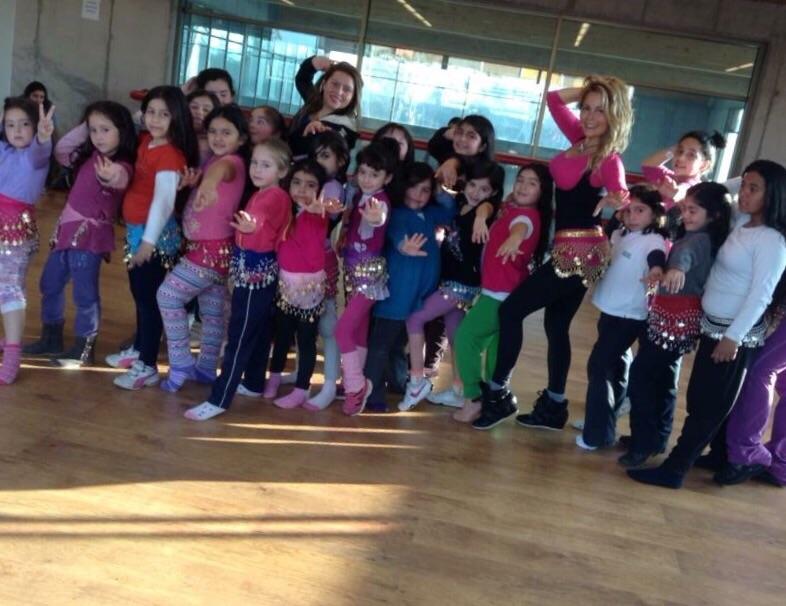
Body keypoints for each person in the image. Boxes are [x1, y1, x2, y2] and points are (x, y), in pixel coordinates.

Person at [482, 76, 633, 429]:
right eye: (586, 108)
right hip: (569, 247)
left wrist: (617, 199)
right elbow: (553, 99)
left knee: (511, 311)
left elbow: (622, 194)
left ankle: (498, 394)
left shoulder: (608, 158)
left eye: (600, 110)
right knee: (556, 325)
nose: (590, 116)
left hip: (582, 252)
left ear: (615, 115)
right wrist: (594, 87)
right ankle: (554, 405)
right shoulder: (578, 138)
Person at [629, 160, 786, 489]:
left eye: (754, 188)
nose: (744, 193)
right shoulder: (741, 222)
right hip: (713, 326)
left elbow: (761, 295)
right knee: (703, 398)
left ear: (773, 195)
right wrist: (745, 180)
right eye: (744, 185)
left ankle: (674, 470)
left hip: (732, 336)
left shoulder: (772, 241)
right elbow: (717, 191)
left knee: (707, 405)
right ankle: (718, 455)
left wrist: (733, 337)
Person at [619, 182, 732, 468]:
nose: (687, 215)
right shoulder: (701, 236)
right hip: (678, 317)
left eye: (694, 211)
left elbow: (684, 258)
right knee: (662, 379)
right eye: (685, 209)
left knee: (642, 377)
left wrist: (677, 269)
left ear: (715, 215)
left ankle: (643, 442)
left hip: (675, 319)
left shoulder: (698, 241)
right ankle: (656, 437)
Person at [184, 139, 292, 421]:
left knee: (239, 337)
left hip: (257, 276)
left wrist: (252, 226)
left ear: (282, 171)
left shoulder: (274, 197)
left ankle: (220, 398)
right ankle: (254, 382)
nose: (256, 169)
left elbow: (260, 219)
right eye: (254, 162)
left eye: (266, 165)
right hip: (253, 274)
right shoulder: (262, 193)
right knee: (257, 331)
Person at [24, 101, 137, 366]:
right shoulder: (88, 157)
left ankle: (84, 348)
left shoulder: (121, 165)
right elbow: (62, 150)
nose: (98, 136)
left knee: (84, 293)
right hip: (65, 233)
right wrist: (88, 124)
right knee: (49, 284)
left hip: (90, 239)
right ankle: (51, 338)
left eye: (105, 129)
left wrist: (110, 175)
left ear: (122, 130)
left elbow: (119, 178)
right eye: (93, 130)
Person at [106, 86, 198, 389]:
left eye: (164, 114)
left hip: (154, 239)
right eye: (151, 112)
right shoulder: (147, 140)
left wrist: (148, 243)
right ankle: (139, 349)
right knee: (139, 294)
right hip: (138, 233)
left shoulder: (170, 155)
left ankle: (147, 364)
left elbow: (163, 202)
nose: (155, 119)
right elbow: (134, 118)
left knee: (148, 300)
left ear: (177, 117)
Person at [156, 104, 249, 392]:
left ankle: (181, 361)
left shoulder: (232, 162)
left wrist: (207, 185)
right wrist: (197, 183)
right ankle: (207, 367)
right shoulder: (212, 160)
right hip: (210, 250)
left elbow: (221, 171)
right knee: (212, 311)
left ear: (241, 139)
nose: (218, 138)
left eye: (226, 132)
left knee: (168, 295)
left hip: (209, 253)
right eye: (213, 131)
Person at [400, 160, 503, 411]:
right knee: (456, 336)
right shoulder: (459, 205)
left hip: (460, 285)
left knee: (415, 319)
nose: (476, 192)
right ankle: (460, 389)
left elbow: (487, 207)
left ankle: (417, 381)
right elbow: (438, 188)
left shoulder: (484, 212)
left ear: (493, 193)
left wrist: (482, 216)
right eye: (473, 185)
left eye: (484, 189)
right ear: (464, 183)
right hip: (453, 282)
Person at [458, 163, 554, 428]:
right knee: (495, 348)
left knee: (466, 337)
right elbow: (491, 207)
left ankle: (473, 397)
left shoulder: (527, 217)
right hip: (505, 292)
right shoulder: (513, 207)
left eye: (532, 183)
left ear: (543, 190)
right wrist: (482, 215)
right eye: (521, 179)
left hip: (498, 294)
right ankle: (496, 399)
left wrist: (514, 239)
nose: (523, 186)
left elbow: (520, 228)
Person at [576, 185, 669, 450]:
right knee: (615, 368)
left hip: (629, 315)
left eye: (640, 210)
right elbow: (604, 241)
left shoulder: (653, 240)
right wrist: (614, 215)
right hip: (610, 309)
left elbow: (656, 259)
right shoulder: (621, 232)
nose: (632, 215)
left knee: (598, 365)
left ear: (655, 215)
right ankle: (604, 422)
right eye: (629, 210)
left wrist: (656, 271)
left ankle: (596, 435)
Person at [363, 162, 455, 411]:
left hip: (417, 297)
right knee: (381, 345)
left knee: (398, 343)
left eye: (425, 190)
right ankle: (372, 394)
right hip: (397, 296)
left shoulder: (431, 212)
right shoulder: (398, 214)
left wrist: (440, 191)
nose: (418, 195)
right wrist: (405, 246)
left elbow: (450, 212)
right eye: (413, 188)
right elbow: (398, 237)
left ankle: (397, 381)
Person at [265, 160, 342, 408]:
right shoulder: (285, 210)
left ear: (320, 190)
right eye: (297, 183)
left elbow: (324, 213)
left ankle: (302, 390)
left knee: (306, 339)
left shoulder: (319, 212)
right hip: (285, 286)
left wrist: (321, 209)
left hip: (310, 290)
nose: (302, 190)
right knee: (282, 335)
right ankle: (274, 378)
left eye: (310, 185)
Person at [334, 140, 399, 415]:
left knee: (341, 330)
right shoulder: (358, 195)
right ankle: (354, 382)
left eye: (374, 174)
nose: (366, 178)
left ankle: (355, 385)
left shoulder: (379, 201)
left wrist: (375, 218)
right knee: (358, 330)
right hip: (353, 273)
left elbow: (378, 217)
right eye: (362, 172)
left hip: (369, 278)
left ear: (387, 178)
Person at [0, 98, 54, 384]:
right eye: (10, 125)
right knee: (8, 287)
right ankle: (8, 341)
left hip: (15, 233)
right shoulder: (4, 150)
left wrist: (43, 137)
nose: (17, 130)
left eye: (24, 124)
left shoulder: (35, 156)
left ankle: (12, 354)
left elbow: (40, 151)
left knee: (9, 289)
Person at [288, 56, 363, 157]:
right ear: (324, 84)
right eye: (335, 84)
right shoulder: (314, 101)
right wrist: (312, 63)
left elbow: (300, 148)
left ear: (353, 97)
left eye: (347, 89)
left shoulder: (346, 129)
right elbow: (302, 79)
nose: (339, 92)